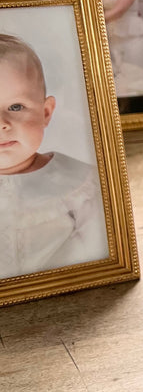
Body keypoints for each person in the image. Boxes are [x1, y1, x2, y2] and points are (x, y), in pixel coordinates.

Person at [0, 34, 109, 279]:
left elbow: (99, 249)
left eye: (16, 107)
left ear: (46, 112)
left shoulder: (80, 183)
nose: (2, 124)